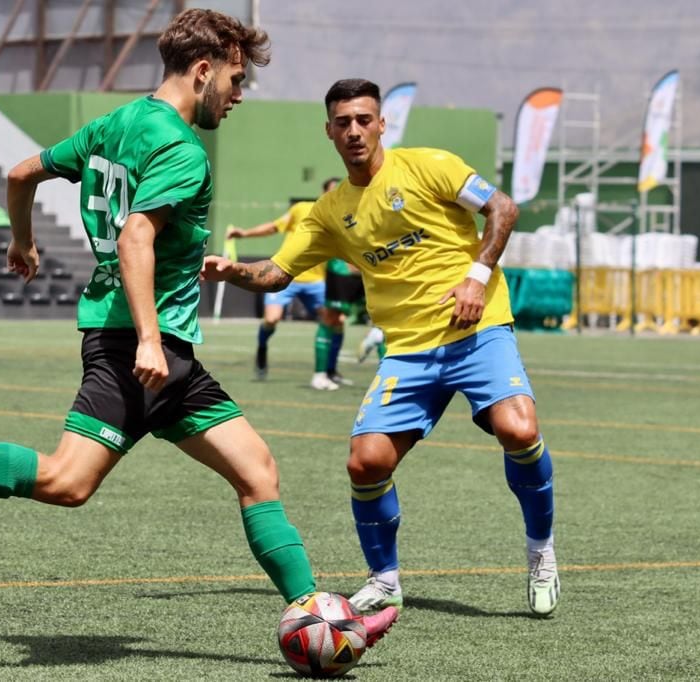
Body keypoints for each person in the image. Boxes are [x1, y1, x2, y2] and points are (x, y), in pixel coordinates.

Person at [0, 15, 398, 644]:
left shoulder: (115, 124)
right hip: (138, 344)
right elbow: (136, 236)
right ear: (204, 71)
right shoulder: (181, 148)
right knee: (66, 481)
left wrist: (23, 242)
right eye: (237, 80)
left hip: (160, 350)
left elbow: (21, 173)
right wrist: (151, 337)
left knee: (257, 471)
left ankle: (314, 611)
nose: (240, 94)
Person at [203, 78, 560, 616]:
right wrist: (236, 271)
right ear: (329, 131)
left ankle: (541, 552)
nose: (353, 131)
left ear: (381, 123)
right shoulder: (328, 211)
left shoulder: (429, 166)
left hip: (479, 328)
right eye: (342, 122)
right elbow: (277, 272)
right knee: (365, 463)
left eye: (363, 120)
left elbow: (503, 209)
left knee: (519, 429)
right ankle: (385, 578)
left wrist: (476, 278)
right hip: (408, 351)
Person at [226, 178, 341, 390]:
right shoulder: (302, 209)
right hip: (288, 275)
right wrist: (244, 233)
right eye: (332, 190)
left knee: (337, 322)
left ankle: (329, 371)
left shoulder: (341, 216)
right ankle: (262, 347)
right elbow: (273, 227)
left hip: (317, 281)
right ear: (323, 192)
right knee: (272, 318)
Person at [319, 255, 365, 386]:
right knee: (333, 319)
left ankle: (331, 371)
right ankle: (321, 374)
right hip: (342, 270)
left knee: (381, 323)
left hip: (372, 267)